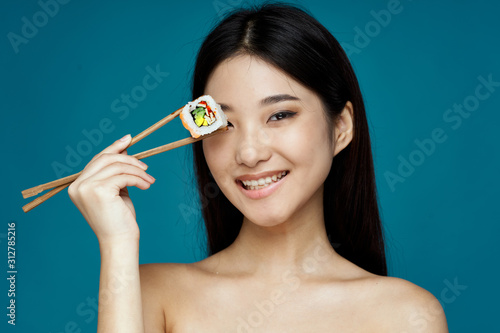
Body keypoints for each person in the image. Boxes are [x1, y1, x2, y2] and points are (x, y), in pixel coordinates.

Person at [68, 3, 448, 332]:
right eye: (225, 124)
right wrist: (117, 243)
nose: (249, 153)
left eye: (280, 115)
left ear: (341, 127)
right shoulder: (152, 294)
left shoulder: (405, 315)